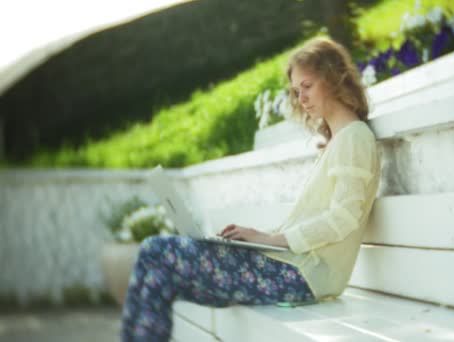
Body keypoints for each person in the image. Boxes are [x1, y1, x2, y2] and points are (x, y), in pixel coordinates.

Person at [119, 36, 381, 341]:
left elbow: (344, 217)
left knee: (155, 253)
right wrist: (258, 240)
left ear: (334, 78)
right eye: (297, 91)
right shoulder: (338, 142)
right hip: (290, 268)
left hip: (304, 277)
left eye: (307, 86)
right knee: (159, 271)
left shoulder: (354, 138)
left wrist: (272, 239)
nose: (302, 97)